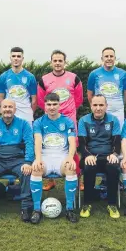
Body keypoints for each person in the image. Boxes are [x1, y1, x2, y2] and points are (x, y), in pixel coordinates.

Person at [0, 99, 34, 224]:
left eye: (10, 107)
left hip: (18, 159)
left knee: (27, 172)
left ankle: (26, 208)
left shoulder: (24, 124)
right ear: (0, 109)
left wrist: (28, 161)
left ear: (15, 109)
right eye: (5, 107)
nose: (7, 109)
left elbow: (29, 143)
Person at [37, 49, 83, 191]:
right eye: (55, 60)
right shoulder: (44, 79)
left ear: (65, 62)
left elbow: (79, 99)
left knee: (73, 149)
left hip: (68, 118)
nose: (57, 63)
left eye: (60, 60)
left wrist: (66, 111)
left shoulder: (74, 78)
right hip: (50, 119)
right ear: (51, 62)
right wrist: (52, 111)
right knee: (49, 146)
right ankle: (51, 180)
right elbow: (40, 100)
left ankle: (78, 179)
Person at [30, 93, 78, 224]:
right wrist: (38, 159)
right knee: (36, 169)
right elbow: (38, 141)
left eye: (54, 104)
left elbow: (72, 142)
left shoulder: (67, 121)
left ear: (59, 105)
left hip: (62, 157)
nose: (51, 107)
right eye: (49, 104)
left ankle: (69, 209)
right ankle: (36, 210)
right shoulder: (39, 122)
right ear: (44, 106)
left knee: (70, 168)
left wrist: (70, 157)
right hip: (45, 157)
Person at [78, 95, 122, 219]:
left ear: (106, 106)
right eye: (95, 105)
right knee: (89, 166)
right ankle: (87, 203)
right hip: (90, 156)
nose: (98, 108)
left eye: (101, 105)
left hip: (108, 156)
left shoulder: (113, 120)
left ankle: (112, 204)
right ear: (91, 106)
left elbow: (117, 142)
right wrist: (87, 155)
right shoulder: (83, 120)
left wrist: (114, 155)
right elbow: (81, 144)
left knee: (113, 167)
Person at [87, 47, 126, 129]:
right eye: (106, 56)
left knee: (117, 137)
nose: (109, 58)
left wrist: (117, 105)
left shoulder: (123, 74)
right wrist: (97, 107)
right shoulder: (94, 74)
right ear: (102, 58)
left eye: (111, 56)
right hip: (101, 112)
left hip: (118, 111)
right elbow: (90, 95)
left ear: (115, 58)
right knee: (102, 137)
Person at [0, 47, 37, 124]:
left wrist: (29, 112)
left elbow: (34, 100)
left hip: (26, 115)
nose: (16, 58)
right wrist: (6, 110)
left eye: (18, 56)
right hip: (9, 115)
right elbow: (0, 97)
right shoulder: (4, 76)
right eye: (13, 56)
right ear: (10, 58)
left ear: (22, 58)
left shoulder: (30, 77)